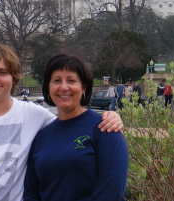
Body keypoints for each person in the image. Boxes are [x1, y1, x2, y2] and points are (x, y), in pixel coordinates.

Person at [0, 43, 123, 201]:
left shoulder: (36, 116)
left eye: (2, 72)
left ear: (13, 78)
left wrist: (112, 117)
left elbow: (73, 124)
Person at [24, 54, 128, 201]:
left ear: (83, 87)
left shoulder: (104, 128)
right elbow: (31, 193)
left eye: (71, 80)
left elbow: (111, 190)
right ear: (48, 87)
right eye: (57, 81)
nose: (64, 87)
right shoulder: (40, 137)